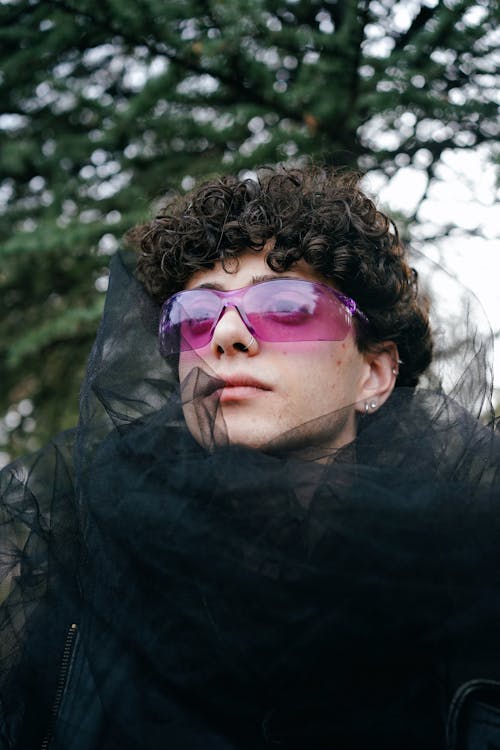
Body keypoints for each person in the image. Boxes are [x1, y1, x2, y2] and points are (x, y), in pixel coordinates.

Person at [1, 166, 499, 750]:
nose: (225, 335)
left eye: (286, 304)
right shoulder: (94, 560)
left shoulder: (473, 583)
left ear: (374, 373)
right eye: (193, 315)